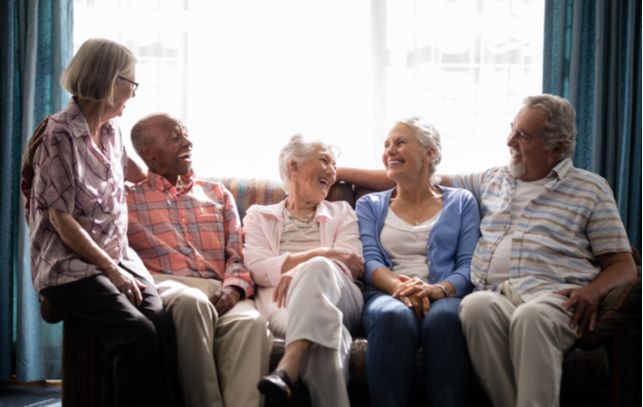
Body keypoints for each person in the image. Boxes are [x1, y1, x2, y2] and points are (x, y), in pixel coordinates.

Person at [339, 94, 638, 406]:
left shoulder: (590, 188)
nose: (509, 140)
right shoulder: (493, 179)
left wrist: (592, 292)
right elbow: (417, 178)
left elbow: (623, 264)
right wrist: (340, 172)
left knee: (530, 319)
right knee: (475, 308)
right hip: (495, 293)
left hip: (553, 294)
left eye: (523, 135)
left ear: (556, 148)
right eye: (512, 129)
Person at [24, 38, 181, 406]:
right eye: (133, 83)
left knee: (159, 322)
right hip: (69, 264)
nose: (135, 93)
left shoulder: (112, 132)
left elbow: (136, 174)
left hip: (116, 253)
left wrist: (169, 159)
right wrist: (112, 271)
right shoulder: (59, 135)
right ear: (110, 81)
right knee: (137, 335)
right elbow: (61, 221)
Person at [126, 113, 273, 407]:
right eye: (175, 137)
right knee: (192, 301)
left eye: (186, 134)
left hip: (219, 287)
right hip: (167, 284)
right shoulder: (125, 199)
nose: (188, 142)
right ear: (148, 153)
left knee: (252, 322)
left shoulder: (217, 193)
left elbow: (237, 254)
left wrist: (234, 288)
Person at [354, 117, 480, 407]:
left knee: (445, 319)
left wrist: (436, 290)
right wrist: (405, 288)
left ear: (429, 153)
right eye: (386, 145)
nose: (390, 151)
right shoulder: (369, 205)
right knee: (392, 317)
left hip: (445, 293)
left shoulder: (462, 201)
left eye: (400, 143)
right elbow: (371, 263)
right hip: (387, 294)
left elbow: (467, 264)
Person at [242, 135, 364, 407]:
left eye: (334, 165)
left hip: (342, 296)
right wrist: (324, 252)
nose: (332, 171)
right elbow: (259, 269)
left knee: (319, 269)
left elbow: (351, 265)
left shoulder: (342, 211)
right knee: (326, 332)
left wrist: (300, 271)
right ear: (293, 167)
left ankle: (288, 365)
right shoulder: (258, 215)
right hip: (280, 301)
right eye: (324, 160)